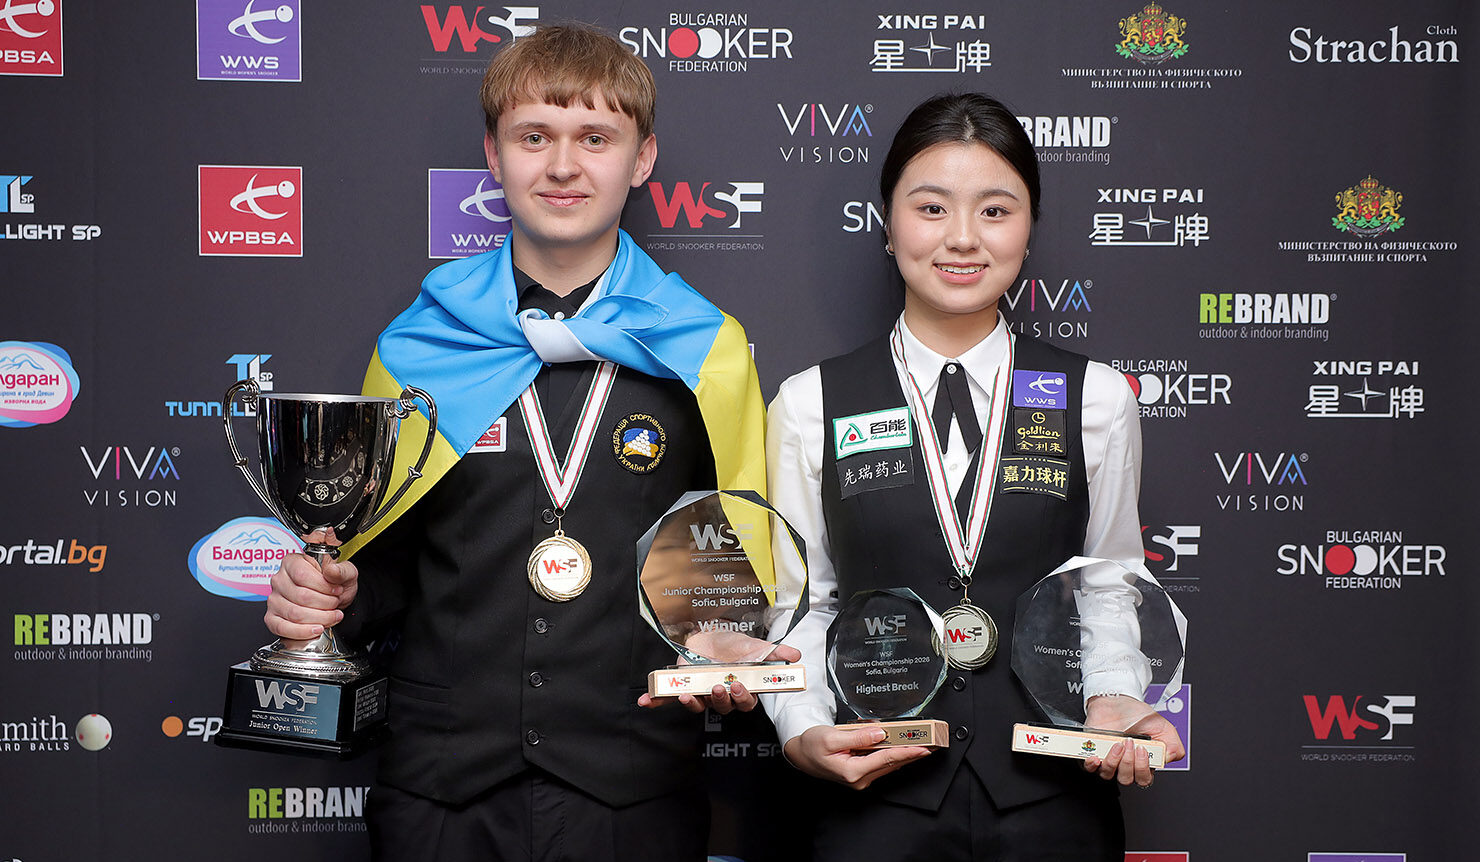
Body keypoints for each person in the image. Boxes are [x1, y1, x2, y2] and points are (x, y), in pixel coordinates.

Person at [261, 23, 780, 862]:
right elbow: (373, 571)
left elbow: (728, 556)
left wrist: (728, 640)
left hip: (632, 787)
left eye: (595, 138)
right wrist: (320, 601)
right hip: (440, 788)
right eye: (534, 136)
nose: (564, 166)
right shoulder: (417, 349)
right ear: (494, 160)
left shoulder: (704, 348)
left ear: (642, 159)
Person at [762, 93, 1185, 860]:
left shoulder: (1097, 397)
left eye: (996, 210)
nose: (962, 239)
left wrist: (1116, 700)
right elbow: (803, 604)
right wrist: (803, 731)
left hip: (1054, 800)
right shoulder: (807, 403)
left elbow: (1109, 584)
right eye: (931, 208)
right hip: (872, 804)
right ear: (887, 225)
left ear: (1029, 227)